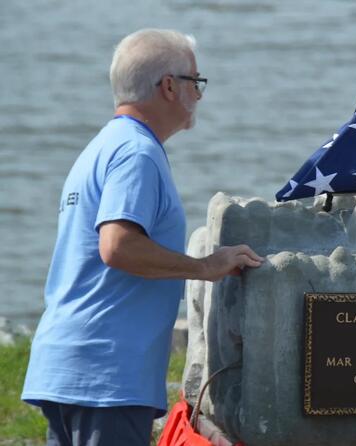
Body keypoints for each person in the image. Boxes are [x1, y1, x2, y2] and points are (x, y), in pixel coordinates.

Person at [21, 28, 264, 446]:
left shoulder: (102, 146)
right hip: (107, 375)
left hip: (67, 365)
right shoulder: (138, 153)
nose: (199, 95)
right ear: (169, 87)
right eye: (195, 82)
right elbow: (118, 245)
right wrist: (206, 266)